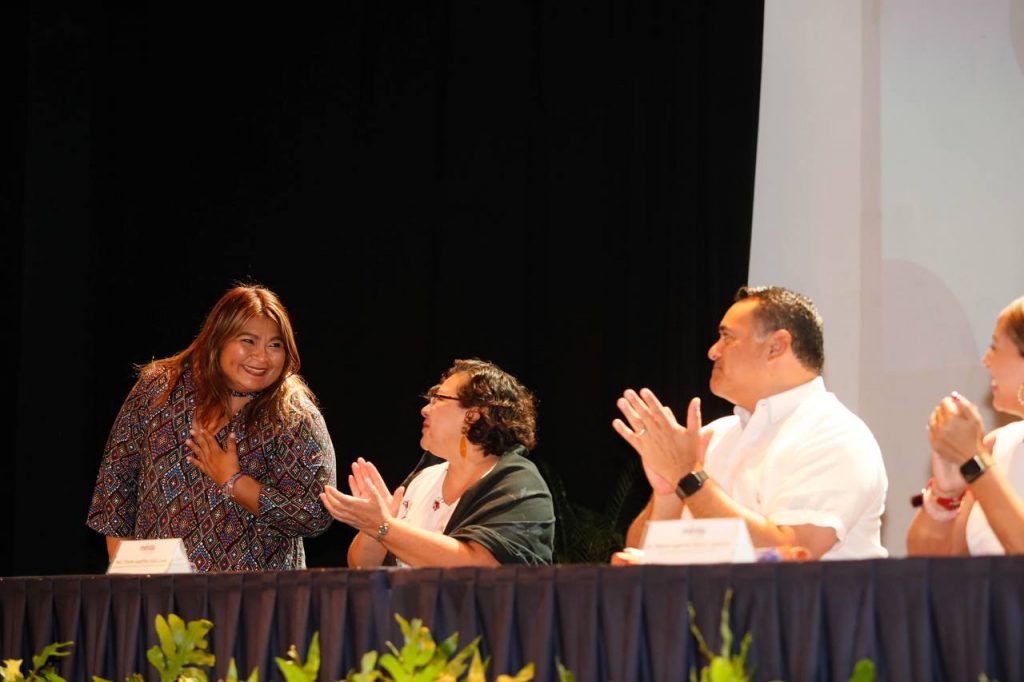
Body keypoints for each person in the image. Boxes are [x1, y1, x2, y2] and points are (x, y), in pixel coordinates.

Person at [613, 286, 888, 560]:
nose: (712, 351)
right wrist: (667, 493)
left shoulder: (835, 434)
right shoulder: (714, 435)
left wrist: (688, 477)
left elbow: (792, 555)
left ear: (776, 346)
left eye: (726, 337)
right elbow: (638, 556)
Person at [86, 284, 337, 571]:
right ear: (218, 340)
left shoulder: (294, 416)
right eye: (248, 341)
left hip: (257, 593)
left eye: (275, 345)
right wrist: (131, 573)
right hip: (161, 590)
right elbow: (115, 486)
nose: (262, 357)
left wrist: (235, 482)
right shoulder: (160, 389)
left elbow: (315, 513)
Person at [322, 358, 554, 567]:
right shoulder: (423, 479)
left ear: (474, 414)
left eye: (439, 399)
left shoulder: (518, 484)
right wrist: (373, 527)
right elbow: (362, 566)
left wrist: (384, 527)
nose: (425, 410)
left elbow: (481, 567)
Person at [907, 295, 1024, 555]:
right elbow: (925, 560)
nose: (986, 360)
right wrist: (944, 494)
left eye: (995, 347)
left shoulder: (981, 458)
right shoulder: (996, 446)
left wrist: (974, 462)